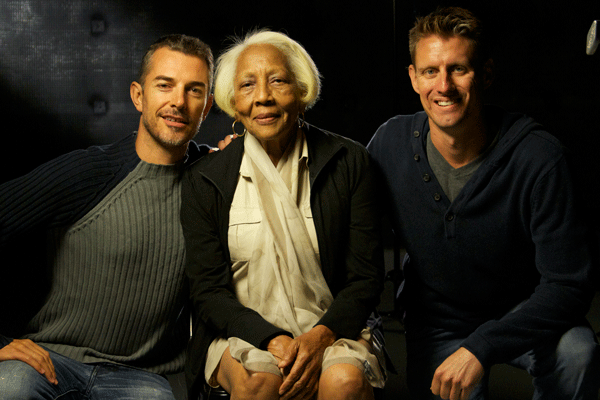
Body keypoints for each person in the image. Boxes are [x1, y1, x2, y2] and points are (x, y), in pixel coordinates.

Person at [367, 6, 599, 400]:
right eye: (430, 71)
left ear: (486, 74)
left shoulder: (539, 158)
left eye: (459, 69)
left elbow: (568, 284)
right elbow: (340, 206)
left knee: (578, 353)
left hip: (526, 313)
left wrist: (482, 345)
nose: (444, 85)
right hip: (438, 320)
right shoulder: (390, 144)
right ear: (413, 78)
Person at [0, 34, 214, 399]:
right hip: (49, 360)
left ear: (207, 107)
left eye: (194, 91)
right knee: (8, 387)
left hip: (141, 379)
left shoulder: (214, 180)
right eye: (165, 86)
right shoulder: (88, 172)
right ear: (138, 95)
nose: (178, 102)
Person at [180, 30, 386, 400]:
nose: (263, 97)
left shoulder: (349, 162)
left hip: (332, 326)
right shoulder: (206, 179)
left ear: (302, 92)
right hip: (239, 330)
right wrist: (272, 338)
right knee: (261, 379)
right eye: (248, 85)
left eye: (278, 80)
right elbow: (208, 291)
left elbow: (365, 279)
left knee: (344, 382)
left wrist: (320, 337)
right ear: (233, 102)